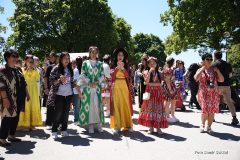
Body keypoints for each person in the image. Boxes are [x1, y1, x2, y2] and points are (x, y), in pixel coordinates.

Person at [0, 49, 27, 146]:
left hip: (18, 97)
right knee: (7, 117)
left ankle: (11, 135)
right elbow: (1, 86)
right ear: (7, 57)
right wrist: (5, 99)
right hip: (8, 98)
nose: (15, 58)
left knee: (15, 117)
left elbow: (23, 83)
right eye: (13, 56)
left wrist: (26, 94)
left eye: (16, 56)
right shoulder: (2, 70)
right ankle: (2, 138)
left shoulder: (18, 70)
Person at [194, 53, 224, 133]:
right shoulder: (200, 69)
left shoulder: (214, 70)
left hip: (213, 94)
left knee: (211, 111)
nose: (210, 61)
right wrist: (203, 68)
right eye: (207, 59)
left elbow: (221, 80)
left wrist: (217, 71)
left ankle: (209, 127)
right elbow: (196, 78)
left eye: (211, 59)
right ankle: (202, 125)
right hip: (203, 93)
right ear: (203, 60)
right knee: (204, 110)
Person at [138, 57, 168, 134]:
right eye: (150, 62)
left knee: (158, 109)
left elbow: (160, 83)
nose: (152, 64)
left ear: (156, 63)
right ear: (148, 64)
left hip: (157, 93)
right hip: (149, 93)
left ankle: (158, 127)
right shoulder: (145, 72)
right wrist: (150, 72)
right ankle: (150, 127)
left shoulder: (160, 72)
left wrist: (152, 84)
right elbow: (146, 82)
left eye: (153, 62)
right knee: (150, 109)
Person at [78, 46, 105, 134]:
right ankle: (90, 125)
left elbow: (102, 75)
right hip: (88, 88)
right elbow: (82, 74)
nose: (93, 54)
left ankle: (98, 124)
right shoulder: (85, 63)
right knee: (89, 106)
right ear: (89, 53)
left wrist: (97, 82)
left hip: (96, 88)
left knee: (97, 105)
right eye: (92, 52)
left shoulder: (100, 63)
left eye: (95, 52)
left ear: (97, 53)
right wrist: (89, 82)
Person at [48, 52, 74, 139]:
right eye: (65, 58)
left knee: (66, 113)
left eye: (68, 58)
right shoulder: (56, 68)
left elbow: (72, 82)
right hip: (59, 94)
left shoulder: (70, 69)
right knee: (58, 113)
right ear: (61, 59)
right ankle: (54, 130)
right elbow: (51, 82)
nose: (67, 60)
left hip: (69, 94)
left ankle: (64, 130)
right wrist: (59, 80)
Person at [110, 48, 133, 134]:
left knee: (125, 104)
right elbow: (111, 77)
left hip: (124, 86)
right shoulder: (112, 65)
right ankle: (117, 126)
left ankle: (128, 125)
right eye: (119, 55)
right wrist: (116, 68)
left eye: (122, 55)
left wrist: (123, 68)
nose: (120, 56)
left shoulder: (127, 65)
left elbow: (128, 76)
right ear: (116, 56)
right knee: (116, 105)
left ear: (124, 57)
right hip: (116, 86)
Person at [212, 51, 239, 125]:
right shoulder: (228, 64)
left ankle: (212, 117)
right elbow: (230, 75)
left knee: (215, 101)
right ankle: (234, 118)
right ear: (221, 56)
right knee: (229, 102)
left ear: (215, 56)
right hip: (227, 86)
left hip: (217, 86)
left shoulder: (214, 64)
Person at [18, 55, 42, 130]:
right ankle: (24, 125)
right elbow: (21, 79)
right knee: (26, 106)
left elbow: (37, 78)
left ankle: (32, 124)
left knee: (33, 105)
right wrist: (27, 69)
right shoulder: (22, 70)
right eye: (28, 61)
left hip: (34, 90)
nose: (30, 62)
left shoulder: (36, 70)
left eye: (31, 61)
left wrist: (33, 69)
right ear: (25, 61)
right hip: (25, 89)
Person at [162, 57, 179, 123]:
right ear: (172, 62)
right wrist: (170, 89)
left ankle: (172, 115)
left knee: (173, 102)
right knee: (168, 102)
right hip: (169, 87)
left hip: (172, 86)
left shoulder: (170, 69)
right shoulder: (168, 70)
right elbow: (167, 81)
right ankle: (167, 117)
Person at [44, 52, 59, 127]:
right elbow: (45, 78)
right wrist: (46, 88)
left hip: (60, 89)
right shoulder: (50, 67)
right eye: (50, 57)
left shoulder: (61, 67)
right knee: (50, 105)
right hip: (51, 88)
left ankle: (58, 122)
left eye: (52, 57)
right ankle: (49, 122)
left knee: (58, 106)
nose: (51, 58)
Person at [72, 59, 80, 123]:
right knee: (76, 105)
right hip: (75, 90)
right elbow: (75, 81)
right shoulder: (75, 70)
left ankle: (76, 119)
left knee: (76, 105)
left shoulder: (75, 70)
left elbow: (75, 81)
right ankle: (76, 119)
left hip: (75, 89)